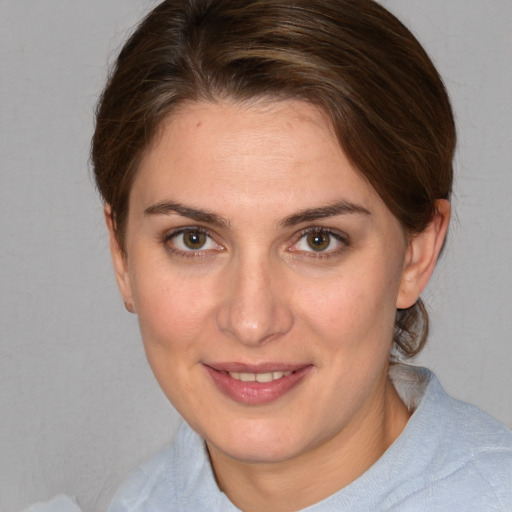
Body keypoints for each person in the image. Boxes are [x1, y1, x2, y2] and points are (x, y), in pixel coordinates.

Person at [91, 0, 512, 510]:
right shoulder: (139, 501)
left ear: (416, 254)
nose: (251, 321)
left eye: (318, 240)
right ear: (121, 254)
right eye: (194, 239)